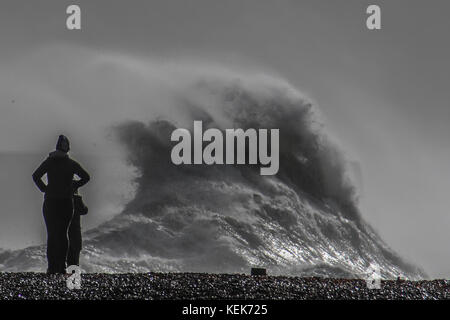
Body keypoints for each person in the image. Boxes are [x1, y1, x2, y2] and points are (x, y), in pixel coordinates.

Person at [32, 135, 90, 274]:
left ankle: (52, 267)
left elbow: (35, 176)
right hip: (65, 202)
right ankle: (62, 266)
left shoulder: (49, 161)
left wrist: (45, 189)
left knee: (52, 235)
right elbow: (86, 177)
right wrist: (74, 185)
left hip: (50, 202)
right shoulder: (70, 163)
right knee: (63, 235)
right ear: (67, 148)